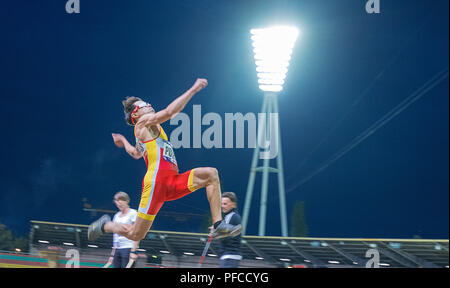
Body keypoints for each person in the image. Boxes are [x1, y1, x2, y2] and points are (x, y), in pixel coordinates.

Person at [88, 78, 241, 242]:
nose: (149, 105)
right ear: (135, 114)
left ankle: (218, 225)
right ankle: (106, 225)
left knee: (211, 174)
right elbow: (169, 112)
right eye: (143, 105)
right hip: (156, 183)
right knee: (135, 235)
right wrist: (193, 89)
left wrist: (123, 141)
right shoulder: (143, 123)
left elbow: (135, 153)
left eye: (147, 103)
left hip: (172, 181)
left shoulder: (147, 130)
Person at [103, 191, 139, 268]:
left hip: (128, 248)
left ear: (127, 201)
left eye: (121, 201)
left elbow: (137, 233)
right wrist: (112, 255)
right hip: (117, 249)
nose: (119, 204)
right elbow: (115, 236)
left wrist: (133, 251)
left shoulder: (133, 213)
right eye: (117, 202)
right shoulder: (116, 216)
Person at [218, 192, 242, 268]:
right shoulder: (231, 216)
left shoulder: (231, 216)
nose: (222, 206)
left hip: (229, 256)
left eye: (225, 204)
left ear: (233, 205)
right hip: (230, 256)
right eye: (221, 204)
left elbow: (225, 236)